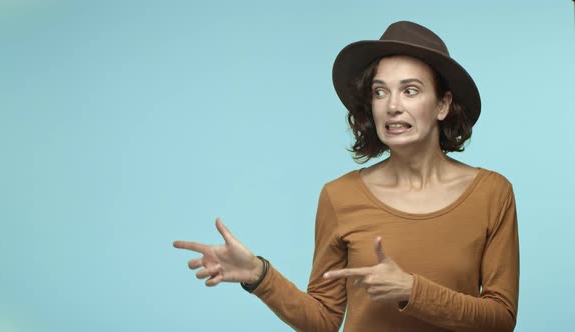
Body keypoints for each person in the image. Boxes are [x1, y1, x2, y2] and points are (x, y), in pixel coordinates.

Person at [173, 21, 519, 332]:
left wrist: (411, 290)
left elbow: (501, 319)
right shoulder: (340, 196)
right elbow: (323, 320)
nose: (392, 105)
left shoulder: (491, 193)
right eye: (379, 92)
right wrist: (259, 276)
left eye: (410, 90)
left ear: (442, 105)